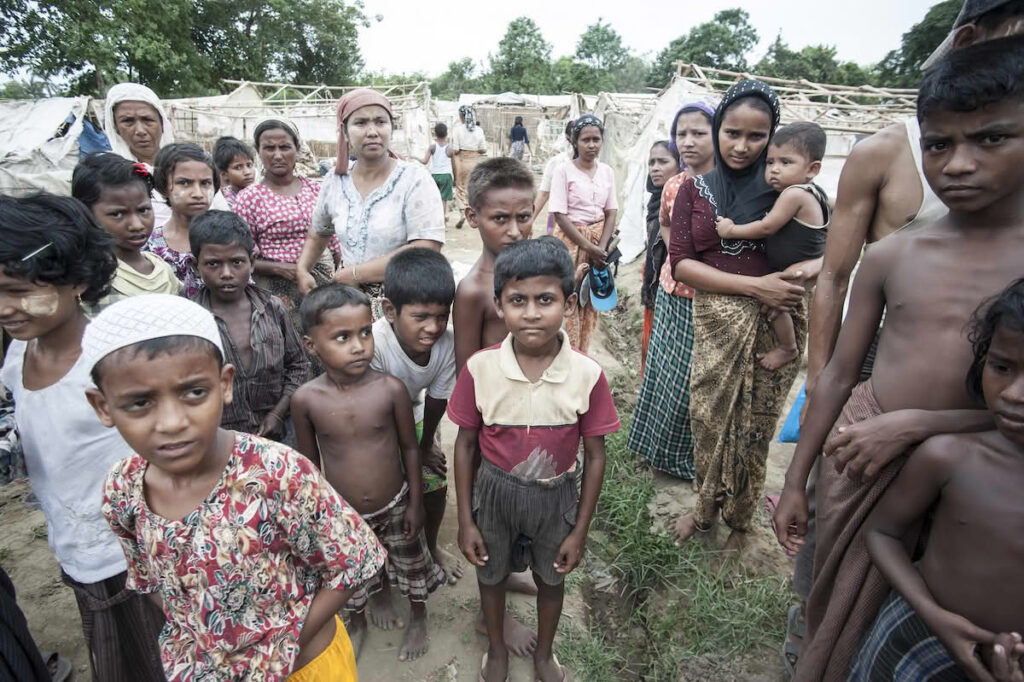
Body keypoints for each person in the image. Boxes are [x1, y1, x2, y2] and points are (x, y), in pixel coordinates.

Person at [773, 37, 1024, 681]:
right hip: (862, 460)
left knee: (933, 609)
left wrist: (918, 425)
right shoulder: (894, 257)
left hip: (981, 479)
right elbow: (836, 372)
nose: (959, 164)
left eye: (991, 139)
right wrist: (798, 479)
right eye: (939, 145)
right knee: (832, 597)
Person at [84, 294, 384, 681]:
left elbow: (355, 563)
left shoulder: (276, 472)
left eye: (194, 393)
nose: (173, 422)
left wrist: (273, 653)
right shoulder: (123, 489)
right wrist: (210, 647)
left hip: (305, 667)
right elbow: (150, 579)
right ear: (103, 407)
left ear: (224, 384)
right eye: (140, 402)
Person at [0, 195, 165, 682]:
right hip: (76, 545)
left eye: (16, 290)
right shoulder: (17, 357)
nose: (4, 307)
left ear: (74, 281)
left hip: (136, 555)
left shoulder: (108, 367)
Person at [449, 237, 620, 682]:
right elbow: (465, 445)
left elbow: (595, 455)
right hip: (494, 491)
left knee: (553, 578)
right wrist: (466, 520)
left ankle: (544, 653)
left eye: (545, 299)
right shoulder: (480, 369)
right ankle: (498, 649)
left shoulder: (587, 373)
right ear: (499, 305)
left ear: (567, 302)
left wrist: (579, 531)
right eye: (517, 300)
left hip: (555, 497)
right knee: (490, 573)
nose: (530, 313)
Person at [851, 281, 1024, 682]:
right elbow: (881, 533)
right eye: (1002, 367)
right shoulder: (950, 457)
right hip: (918, 637)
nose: (1015, 394)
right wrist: (933, 615)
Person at [669, 80, 809, 551]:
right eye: (732, 133)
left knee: (755, 428)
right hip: (717, 319)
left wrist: (796, 278)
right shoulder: (695, 191)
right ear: (716, 129)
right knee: (708, 417)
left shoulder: (789, 190)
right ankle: (704, 509)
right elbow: (682, 262)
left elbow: (827, 245)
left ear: (773, 136)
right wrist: (756, 287)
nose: (742, 146)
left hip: (778, 322)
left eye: (757, 136)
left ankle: (741, 518)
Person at [292, 284, 446, 663]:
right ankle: (357, 621)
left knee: (412, 564)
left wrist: (415, 503)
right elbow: (311, 468)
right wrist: (321, 519)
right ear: (311, 345)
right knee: (352, 576)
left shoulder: (390, 390)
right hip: (344, 513)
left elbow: (411, 448)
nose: (359, 345)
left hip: (395, 503)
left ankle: (419, 614)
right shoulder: (306, 400)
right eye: (342, 337)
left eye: (364, 332)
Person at [452, 157, 541, 658]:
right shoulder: (473, 290)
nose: (514, 230)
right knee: (492, 520)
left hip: (533, 418)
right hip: (494, 427)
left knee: (523, 510)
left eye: (523, 217)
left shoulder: (531, 274)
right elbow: (469, 373)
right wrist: (485, 435)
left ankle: (508, 577)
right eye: (499, 219)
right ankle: (492, 620)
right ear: (473, 217)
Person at [298, 88, 445, 319]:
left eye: (380, 122)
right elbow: (319, 232)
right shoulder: (335, 181)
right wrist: (303, 268)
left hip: (403, 304)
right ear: (344, 132)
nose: (372, 131)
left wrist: (355, 274)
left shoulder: (414, 179)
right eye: (361, 123)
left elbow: (426, 248)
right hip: (350, 303)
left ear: (391, 128)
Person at [628, 101, 716, 481]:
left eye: (699, 133)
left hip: (716, 299)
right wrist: (686, 266)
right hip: (675, 294)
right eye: (682, 134)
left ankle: (690, 459)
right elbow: (669, 237)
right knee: (668, 377)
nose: (688, 142)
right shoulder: (676, 186)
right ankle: (661, 454)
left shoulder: (730, 187)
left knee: (699, 383)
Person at [371, 248, 462, 583]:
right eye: (421, 317)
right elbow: (373, 409)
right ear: (390, 311)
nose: (433, 328)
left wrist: (426, 445)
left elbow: (437, 399)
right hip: (376, 417)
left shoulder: (447, 345)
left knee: (434, 482)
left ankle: (433, 545)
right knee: (384, 487)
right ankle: (378, 558)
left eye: (442, 317)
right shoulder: (375, 343)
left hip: (417, 411)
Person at [716, 122, 830, 370]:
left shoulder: (794, 195)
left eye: (785, 163)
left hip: (796, 270)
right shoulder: (817, 193)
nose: (774, 170)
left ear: (813, 168)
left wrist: (731, 230)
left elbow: (766, 227)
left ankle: (787, 348)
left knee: (775, 304)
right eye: (770, 163)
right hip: (806, 265)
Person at [190, 210, 309, 441]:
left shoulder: (273, 308)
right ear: (196, 266)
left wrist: (278, 412)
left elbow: (299, 365)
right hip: (219, 438)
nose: (226, 273)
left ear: (251, 263)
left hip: (279, 431)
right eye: (213, 264)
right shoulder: (190, 319)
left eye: (236, 262)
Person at [234, 120, 341, 320]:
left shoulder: (317, 189)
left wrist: (336, 277)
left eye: (284, 147)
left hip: (322, 283)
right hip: (276, 288)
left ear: (297, 149)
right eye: (269, 148)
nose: (277, 155)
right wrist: (280, 268)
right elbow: (241, 255)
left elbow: (333, 240)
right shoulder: (249, 198)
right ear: (258, 151)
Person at [71, 152, 182, 313]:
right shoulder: (87, 277)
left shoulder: (161, 268)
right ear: (86, 214)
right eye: (117, 214)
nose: (136, 225)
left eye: (143, 210)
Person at [548, 114, 618, 352]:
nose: (591, 145)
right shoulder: (563, 171)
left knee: (590, 299)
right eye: (586, 139)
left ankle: (582, 353)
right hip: (570, 243)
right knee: (567, 294)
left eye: (596, 139)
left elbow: (611, 212)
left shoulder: (606, 172)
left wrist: (602, 248)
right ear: (575, 142)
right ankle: (561, 350)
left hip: (599, 244)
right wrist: (589, 248)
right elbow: (559, 214)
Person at [147, 142, 217, 298]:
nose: (198, 193)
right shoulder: (151, 248)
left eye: (205, 183)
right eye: (185, 183)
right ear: (164, 187)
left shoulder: (229, 239)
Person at [103, 82, 175, 225]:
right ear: (116, 127)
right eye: (128, 121)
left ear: (161, 123)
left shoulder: (185, 165)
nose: (140, 130)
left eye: (147, 120)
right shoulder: (107, 173)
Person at [638, 140, 680, 371]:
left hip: (671, 289)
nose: (655, 167)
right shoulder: (656, 201)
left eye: (663, 161)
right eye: (651, 162)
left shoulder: (682, 202)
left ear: (679, 164)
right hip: (654, 284)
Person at [534, 120, 575, 233]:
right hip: (558, 223)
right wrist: (530, 221)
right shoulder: (557, 162)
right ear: (568, 138)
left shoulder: (600, 168)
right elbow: (544, 194)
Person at [451, 104, 488, 227]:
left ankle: (462, 212)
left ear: (462, 116)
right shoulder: (479, 130)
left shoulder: (457, 130)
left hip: (461, 161)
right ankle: (472, 212)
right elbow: (483, 149)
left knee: (460, 188)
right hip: (475, 162)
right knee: (472, 187)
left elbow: (455, 150)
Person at [210, 136, 256, 211]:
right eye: (238, 167)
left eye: (249, 165)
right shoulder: (224, 205)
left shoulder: (262, 195)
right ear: (224, 174)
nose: (247, 172)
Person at [420, 122, 455, 221]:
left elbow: (424, 161)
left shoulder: (432, 147)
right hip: (446, 175)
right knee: (443, 199)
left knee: (434, 198)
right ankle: (443, 219)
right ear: (446, 133)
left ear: (435, 133)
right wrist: (455, 178)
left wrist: (415, 157)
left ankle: (435, 218)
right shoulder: (450, 149)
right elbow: (454, 165)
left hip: (434, 175)